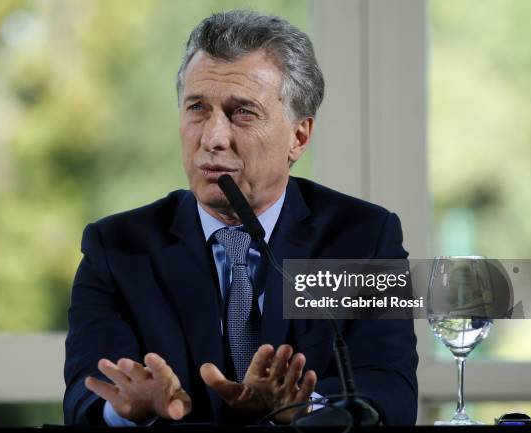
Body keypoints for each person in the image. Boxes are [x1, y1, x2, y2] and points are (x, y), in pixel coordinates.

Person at [63, 9, 418, 426]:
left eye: (242, 112)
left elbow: (390, 393)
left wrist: (303, 409)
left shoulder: (362, 237)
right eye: (197, 108)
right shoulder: (118, 248)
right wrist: (126, 410)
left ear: (298, 136)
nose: (212, 138)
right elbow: (84, 397)